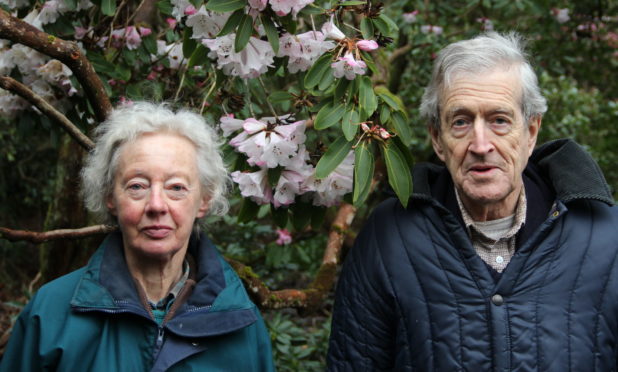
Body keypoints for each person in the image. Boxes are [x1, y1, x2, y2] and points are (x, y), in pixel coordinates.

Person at [327, 32, 618, 371]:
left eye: (499, 120)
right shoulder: (389, 237)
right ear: (437, 138)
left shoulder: (606, 236)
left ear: (531, 132)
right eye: (461, 122)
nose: (481, 144)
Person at [0, 102, 275, 371]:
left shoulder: (242, 320)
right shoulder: (50, 313)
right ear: (110, 198)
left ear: (204, 200)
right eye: (137, 186)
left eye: (176, 187)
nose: (156, 205)